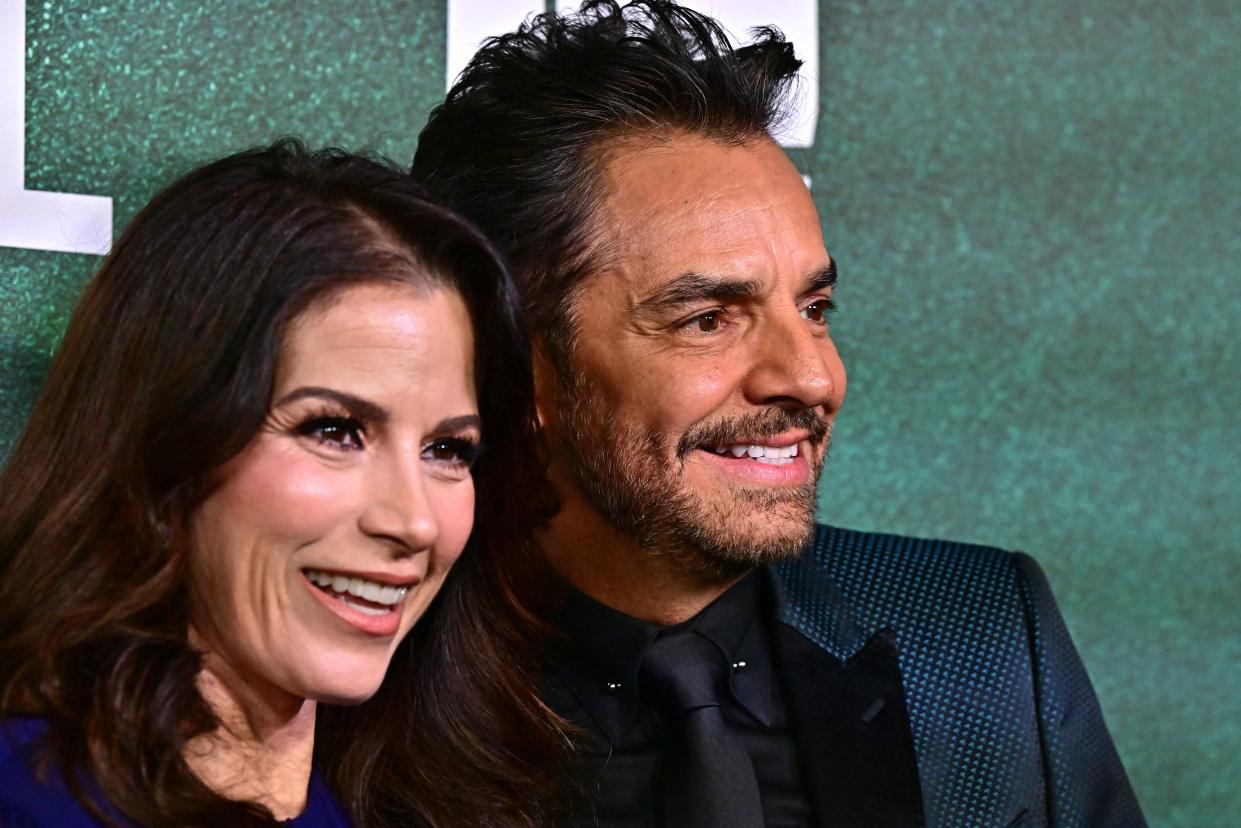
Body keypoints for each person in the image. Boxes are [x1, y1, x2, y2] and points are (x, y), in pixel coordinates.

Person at [412, 1, 1147, 825]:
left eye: (814, 307)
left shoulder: (981, 638)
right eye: (706, 320)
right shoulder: (357, 688)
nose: (810, 376)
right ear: (516, 364)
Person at [0, 140, 564, 827]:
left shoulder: (440, 793)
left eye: (448, 449)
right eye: (334, 431)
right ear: (166, 435)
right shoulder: (32, 798)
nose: (414, 521)